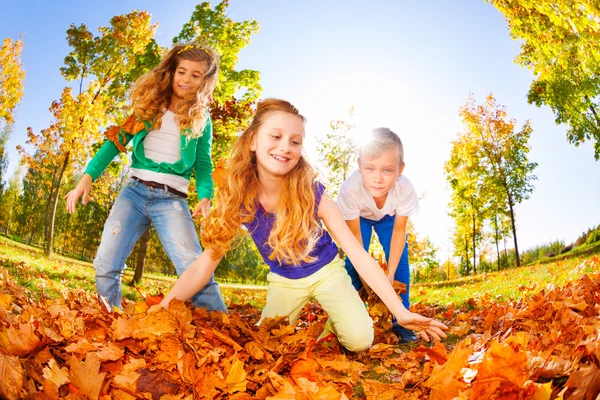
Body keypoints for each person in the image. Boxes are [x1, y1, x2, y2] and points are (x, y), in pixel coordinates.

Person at [160, 98, 446, 351]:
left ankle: (338, 322)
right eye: (275, 136)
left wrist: (400, 311)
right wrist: (161, 311)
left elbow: (359, 255)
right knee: (266, 343)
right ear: (252, 141)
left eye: (295, 141)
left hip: (327, 272)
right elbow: (202, 264)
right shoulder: (240, 197)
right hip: (284, 280)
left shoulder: (313, 192)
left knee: (360, 341)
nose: (285, 147)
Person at [65, 43, 226, 312]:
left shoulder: (201, 120)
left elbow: (202, 164)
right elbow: (115, 142)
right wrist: (88, 176)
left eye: (195, 75)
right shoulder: (148, 108)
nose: (186, 80)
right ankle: (110, 320)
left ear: (205, 81)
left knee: (195, 267)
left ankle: (222, 324)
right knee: (106, 263)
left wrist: (206, 196)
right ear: (171, 72)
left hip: (172, 200)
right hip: (134, 193)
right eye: (181, 72)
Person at [337, 128, 419, 342]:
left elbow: (399, 231)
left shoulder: (405, 190)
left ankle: (402, 321)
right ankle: (353, 317)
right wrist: (370, 284)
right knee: (353, 265)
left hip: (389, 219)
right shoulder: (350, 191)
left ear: (400, 169)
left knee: (400, 262)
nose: (378, 178)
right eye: (370, 168)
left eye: (387, 170)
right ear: (359, 166)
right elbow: (356, 247)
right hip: (360, 219)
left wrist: (389, 276)